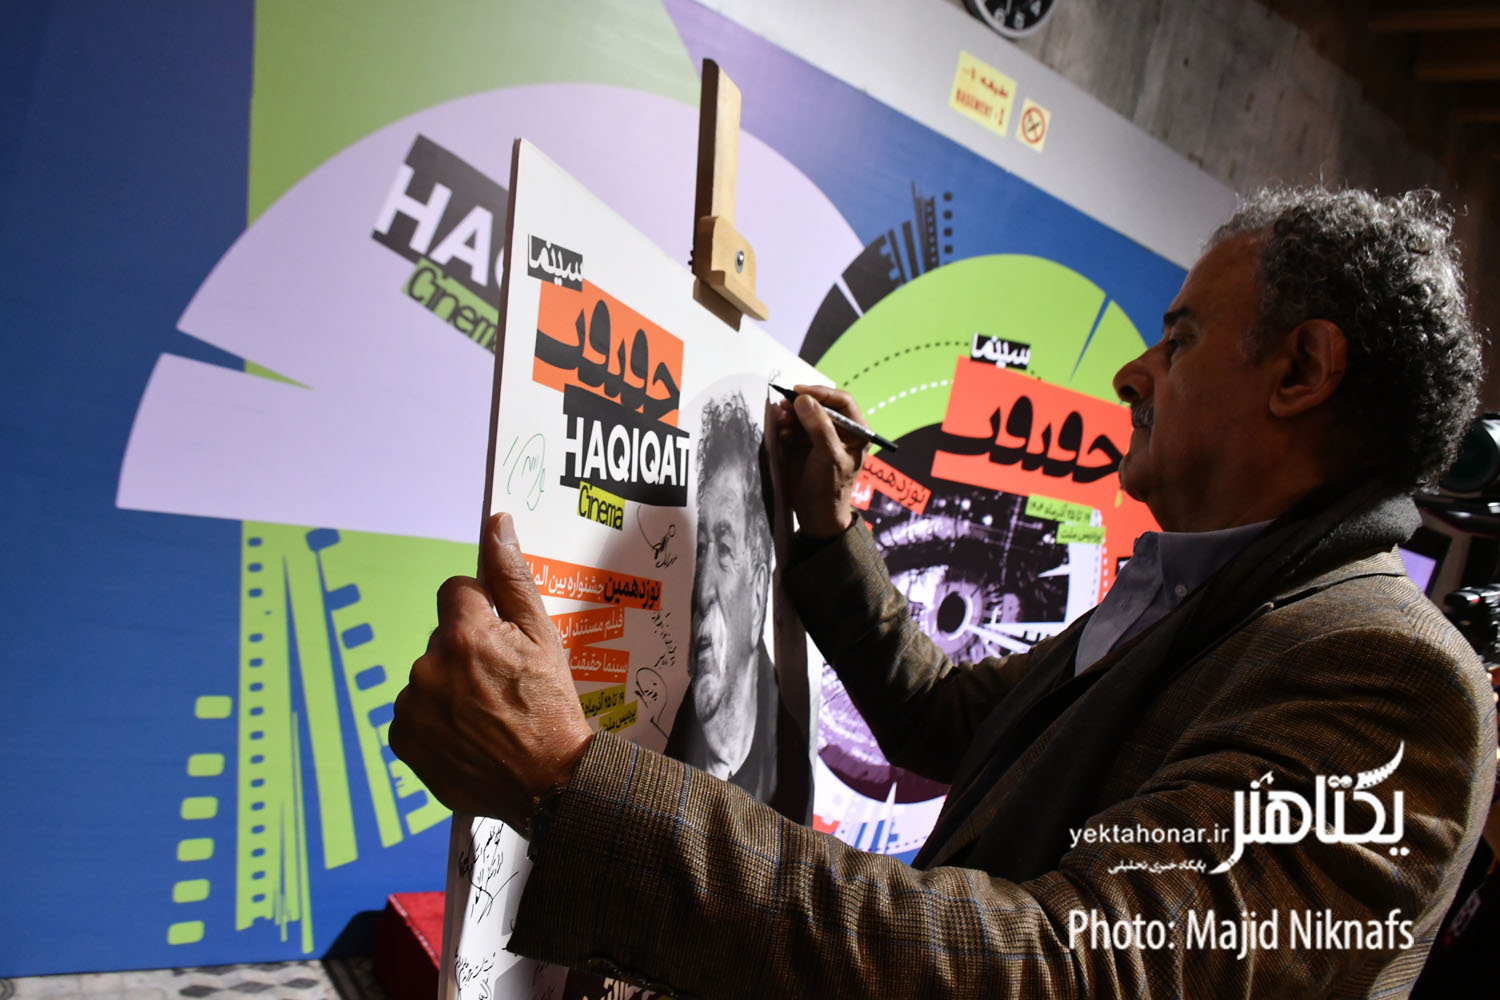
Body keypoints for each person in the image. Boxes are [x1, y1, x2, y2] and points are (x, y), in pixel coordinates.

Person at [390, 187, 1496, 998]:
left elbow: (1060, 971)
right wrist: (831, 529)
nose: (1133, 373)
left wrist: (573, 781)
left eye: (1181, 338)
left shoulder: (1390, 675)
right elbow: (947, 719)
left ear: (1300, 371)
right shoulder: (1209, 600)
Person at [663, 390, 780, 800]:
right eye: (701, 550)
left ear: (759, 596)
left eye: (725, 550)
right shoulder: (662, 736)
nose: (703, 589)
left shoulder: (787, 761)